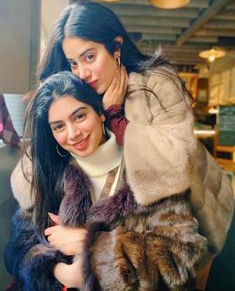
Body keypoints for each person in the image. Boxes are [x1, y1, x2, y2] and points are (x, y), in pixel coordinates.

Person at [8, 0, 234, 289]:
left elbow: (169, 167)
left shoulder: (155, 86)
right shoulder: (77, 92)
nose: (82, 73)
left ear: (115, 48)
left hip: (205, 208)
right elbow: (32, 184)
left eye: (89, 57)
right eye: (73, 63)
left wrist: (115, 116)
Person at [5, 72, 207, 290]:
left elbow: (182, 256)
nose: (72, 134)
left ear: (100, 113)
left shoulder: (149, 168)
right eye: (58, 127)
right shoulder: (48, 171)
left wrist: (93, 246)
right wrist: (58, 272)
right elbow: (17, 249)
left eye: (79, 116)